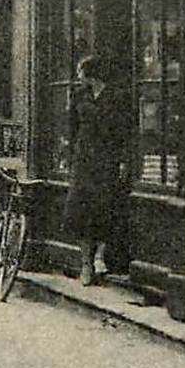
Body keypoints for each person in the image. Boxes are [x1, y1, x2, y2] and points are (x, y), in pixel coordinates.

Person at [63, 55, 129, 285]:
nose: (78, 76)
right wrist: (70, 153)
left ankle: (100, 256)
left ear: (92, 74)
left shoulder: (115, 97)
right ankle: (85, 264)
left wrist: (122, 160)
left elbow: (123, 131)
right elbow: (71, 127)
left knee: (104, 208)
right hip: (83, 160)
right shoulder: (79, 96)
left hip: (107, 159)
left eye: (80, 72)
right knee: (81, 211)